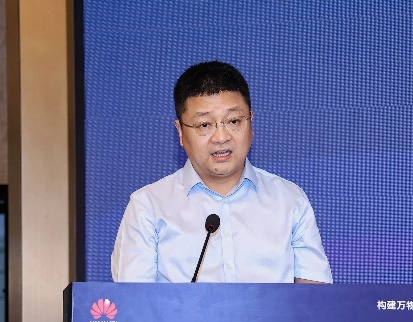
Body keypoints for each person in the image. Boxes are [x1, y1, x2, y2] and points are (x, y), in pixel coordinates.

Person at [111, 61, 332, 284]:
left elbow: (315, 295)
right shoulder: (148, 207)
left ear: (251, 121)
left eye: (233, 121)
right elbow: (134, 300)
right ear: (180, 131)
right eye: (204, 125)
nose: (221, 137)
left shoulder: (290, 200)